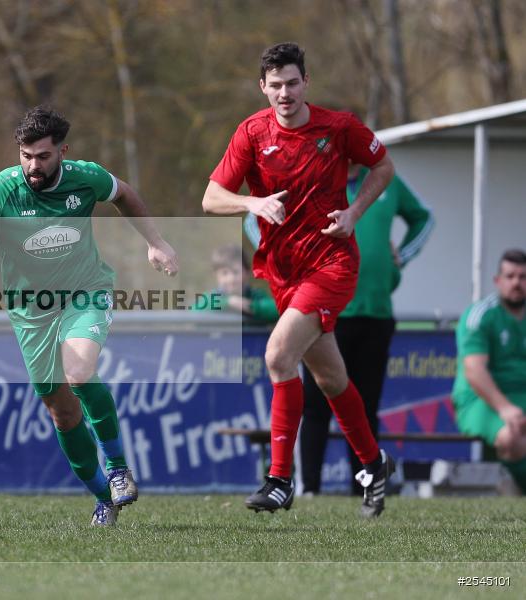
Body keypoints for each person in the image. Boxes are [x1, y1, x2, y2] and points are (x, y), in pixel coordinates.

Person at [0, 106, 179, 526]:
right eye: (26, 155)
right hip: (30, 312)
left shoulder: (84, 177)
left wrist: (156, 242)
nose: (33, 165)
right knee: (61, 410)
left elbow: (124, 193)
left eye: (43, 156)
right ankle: (104, 498)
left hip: (84, 292)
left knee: (78, 372)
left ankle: (118, 467)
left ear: (62, 152)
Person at [201, 42, 397, 517]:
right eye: (275, 86)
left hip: (331, 265)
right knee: (331, 378)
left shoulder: (338, 127)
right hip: (283, 272)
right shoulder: (252, 133)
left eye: (292, 83)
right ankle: (374, 463)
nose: (284, 93)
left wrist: (353, 211)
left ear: (306, 82)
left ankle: (279, 479)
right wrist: (253, 203)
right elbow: (211, 197)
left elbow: (383, 167)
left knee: (277, 354)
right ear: (262, 88)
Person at [238, 160, 433, 495]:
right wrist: (280, 256)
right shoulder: (312, 177)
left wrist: (400, 256)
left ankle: (366, 485)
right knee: (317, 402)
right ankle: (308, 487)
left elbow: (424, 218)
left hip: (374, 310)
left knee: (365, 403)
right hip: (324, 307)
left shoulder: (385, 182)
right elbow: (253, 220)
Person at [453, 249, 526, 494]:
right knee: (511, 436)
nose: (517, 283)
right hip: (481, 399)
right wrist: (505, 408)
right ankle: (513, 490)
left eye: (523, 277)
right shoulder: (480, 315)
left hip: (521, 396)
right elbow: (474, 371)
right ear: (498, 281)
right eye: (511, 276)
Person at [193, 244, 278, 324]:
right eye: (224, 273)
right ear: (216, 276)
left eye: (236, 272)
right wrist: (229, 302)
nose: (231, 279)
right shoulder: (213, 296)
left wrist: (249, 306)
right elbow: (195, 310)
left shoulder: (255, 296)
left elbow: (276, 310)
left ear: (247, 272)